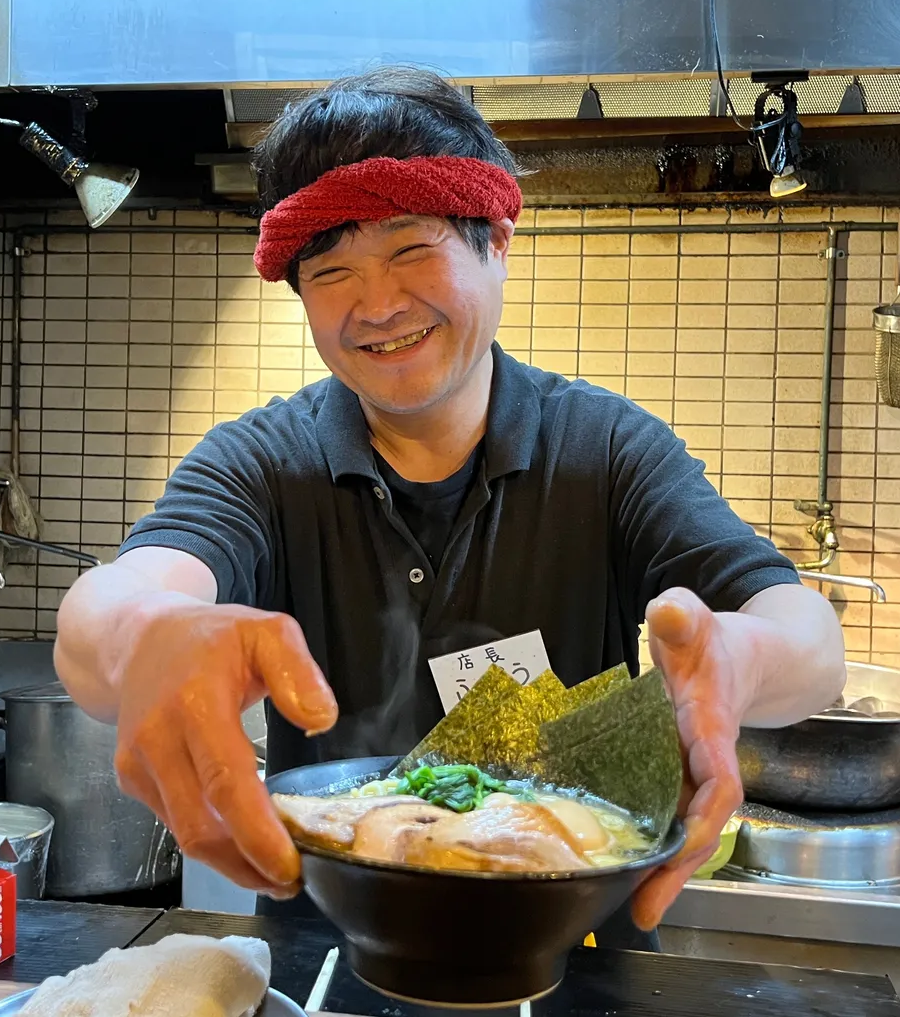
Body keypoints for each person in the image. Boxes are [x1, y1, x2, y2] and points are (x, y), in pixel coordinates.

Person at [54, 66, 846, 939]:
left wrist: (738, 659)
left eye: (411, 246)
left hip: (572, 962)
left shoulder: (607, 450)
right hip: (328, 963)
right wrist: (142, 640)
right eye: (331, 270)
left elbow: (810, 643)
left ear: (495, 242)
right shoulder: (261, 462)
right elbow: (111, 617)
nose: (378, 304)